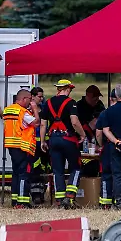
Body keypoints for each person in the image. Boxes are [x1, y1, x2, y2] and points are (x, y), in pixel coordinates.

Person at [41, 79, 86, 208]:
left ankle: (59, 200)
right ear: (67, 89)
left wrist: (43, 141)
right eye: (70, 90)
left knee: (57, 170)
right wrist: (82, 135)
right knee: (76, 167)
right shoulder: (71, 103)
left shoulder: (48, 103)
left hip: (53, 140)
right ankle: (70, 197)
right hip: (68, 140)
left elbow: (43, 124)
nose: (70, 92)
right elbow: (75, 122)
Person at [3, 89, 39, 209]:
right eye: (30, 99)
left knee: (16, 173)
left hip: (11, 145)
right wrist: (34, 109)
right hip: (22, 146)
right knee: (24, 173)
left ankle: (15, 200)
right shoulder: (23, 112)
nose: (30, 102)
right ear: (24, 99)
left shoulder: (8, 110)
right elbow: (36, 123)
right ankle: (22, 201)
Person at [95, 89, 118, 209]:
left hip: (108, 146)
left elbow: (98, 133)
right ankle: (119, 201)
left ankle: (105, 202)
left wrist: (100, 145)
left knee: (106, 174)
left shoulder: (104, 113)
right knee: (119, 175)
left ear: (110, 99)